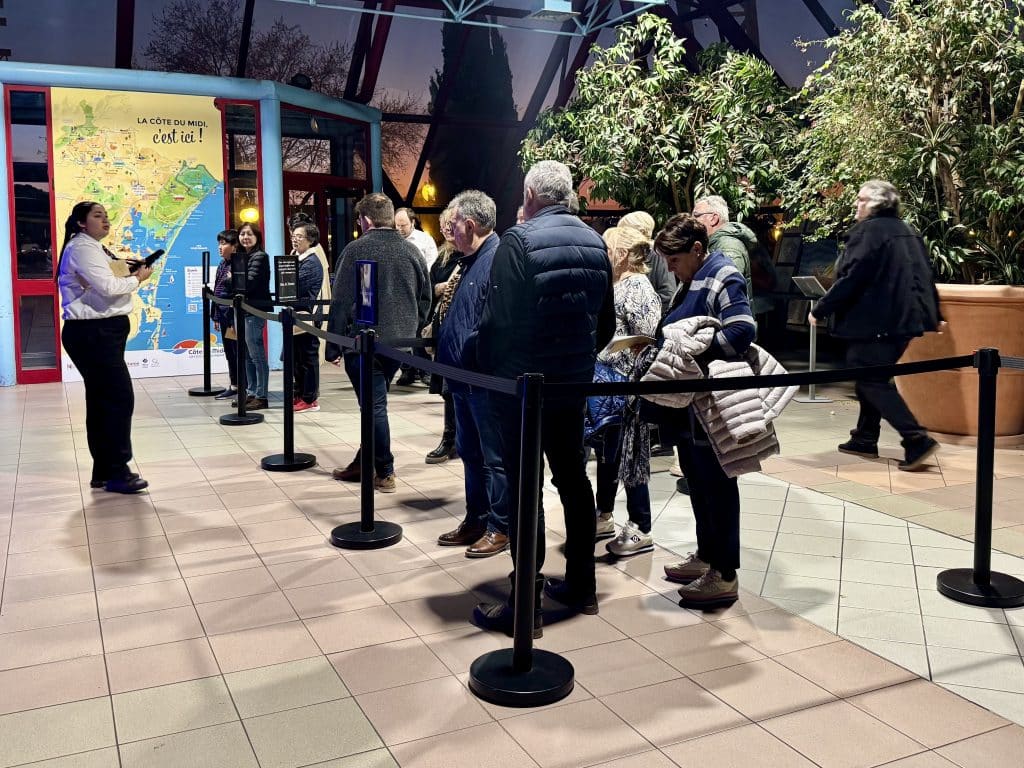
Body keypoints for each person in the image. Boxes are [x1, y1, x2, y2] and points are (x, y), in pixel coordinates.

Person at [472, 160, 614, 637]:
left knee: (523, 485)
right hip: (572, 382)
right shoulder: (596, 242)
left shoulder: (519, 240)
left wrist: (492, 371)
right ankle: (583, 584)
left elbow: (497, 323)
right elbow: (606, 324)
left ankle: (525, 602)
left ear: (530, 193)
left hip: (523, 386)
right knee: (574, 479)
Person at [651, 214, 757, 607]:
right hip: (690, 405)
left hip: (710, 405)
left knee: (717, 484)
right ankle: (707, 556)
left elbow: (742, 330)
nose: (671, 269)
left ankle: (724, 574)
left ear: (697, 249)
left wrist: (694, 353)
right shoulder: (693, 277)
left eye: (675, 261)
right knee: (698, 481)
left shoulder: (723, 274)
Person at [810, 179, 941, 471]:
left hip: (878, 321)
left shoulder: (868, 232)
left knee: (870, 377)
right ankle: (865, 437)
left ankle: (915, 438)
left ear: (877, 204)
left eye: (861, 200)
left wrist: (821, 308)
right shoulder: (908, 231)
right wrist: (935, 312)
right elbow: (923, 274)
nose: (857, 204)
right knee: (871, 374)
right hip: (906, 321)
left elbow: (852, 276)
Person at [327, 193, 431, 492]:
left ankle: (384, 470)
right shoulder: (411, 251)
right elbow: (424, 297)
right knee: (373, 404)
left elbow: (343, 300)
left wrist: (333, 344)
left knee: (374, 407)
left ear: (366, 219)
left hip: (364, 343)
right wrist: (413, 326)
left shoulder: (357, 249)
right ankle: (364, 460)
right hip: (399, 344)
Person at [57, 201, 153, 493]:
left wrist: (127, 269)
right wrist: (137, 278)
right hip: (93, 333)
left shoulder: (92, 248)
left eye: (107, 216)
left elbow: (109, 278)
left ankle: (103, 469)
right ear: (81, 223)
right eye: (98, 216)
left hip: (98, 332)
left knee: (101, 402)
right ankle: (117, 471)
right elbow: (109, 288)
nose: (106, 220)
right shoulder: (83, 248)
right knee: (118, 398)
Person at [435, 191, 510, 558]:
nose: (449, 230)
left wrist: (474, 357)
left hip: (482, 381)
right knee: (470, 452)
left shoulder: (496, 259)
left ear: (470, 224)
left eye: (453, 224)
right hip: (462, 379)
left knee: (494, 458)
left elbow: (497, 323)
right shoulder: (468, 260)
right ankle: (476, 519)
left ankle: (500, 526)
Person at [593, 226, 661, 557]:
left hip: (627, 387)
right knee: (609, 455)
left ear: (620, 254)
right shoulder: (618, 284)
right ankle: (604, 514)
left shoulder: (637, 287)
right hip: (609, 382)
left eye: (607, 249)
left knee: (630, 456)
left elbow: (645, 339)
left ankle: (641, 526)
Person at [423, 206, 460, 464]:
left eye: (450, 224)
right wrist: (440, 288)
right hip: (444, 324)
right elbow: (429, 284)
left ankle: (456, 440)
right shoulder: (443, 256)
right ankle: (450, 439)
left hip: (460, 329)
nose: (446, 229)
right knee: (448, 391)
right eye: (443, 224)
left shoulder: (475, 254)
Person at [395, 207, 435, 385]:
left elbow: (431, 265)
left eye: (403, 225)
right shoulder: (393, 240)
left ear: (413, 223)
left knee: (420, 332)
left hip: (419, 293)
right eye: (397, 225)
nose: (400, 229)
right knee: (403, 333)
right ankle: (407, 370)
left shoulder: (424, 240)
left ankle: (424, 370)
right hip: (399, 294)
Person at [691, 195, 755, 299]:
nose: (692, 221)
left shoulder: (729, 246)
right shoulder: (714, 244)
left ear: (713, 218)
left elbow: (727, 289)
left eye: (696, 215)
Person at [291, 222, 325, 413]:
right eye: (294, 235)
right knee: (297, 358)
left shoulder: (311, 262)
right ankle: (301, 393)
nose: (295, 239)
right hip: (294, 314)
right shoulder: (296, 257)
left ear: (310, 240)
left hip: (306, 315)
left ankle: (310, 398)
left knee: (307, 358)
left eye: (300, 236)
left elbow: (296, 286)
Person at [237, 222, 271, 410]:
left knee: (256, 354)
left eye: (249, 234)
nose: (245, 237)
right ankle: (251, 392)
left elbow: (248, 282)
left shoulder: (260, 256)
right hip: (242, 309)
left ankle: (261, 395)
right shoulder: (242, 257)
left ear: (257, 236)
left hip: (254, 310)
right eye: (242, 234)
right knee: (247, 356)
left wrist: (230, 280)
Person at [619, 211, 676, 315]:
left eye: (624, 231)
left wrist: (645, 313)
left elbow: (668, 293)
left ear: (639, 231)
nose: (621, 236)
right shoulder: (632, 255)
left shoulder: (657, 254)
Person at [212, 229, 240, 401]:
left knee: (238, 353)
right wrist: (215, 316)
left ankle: (243, 387)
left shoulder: (239, 265)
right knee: (229, 352)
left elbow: (234, 292)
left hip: (233, 316)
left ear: (234, 246)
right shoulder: (223, 264)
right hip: (222, 315)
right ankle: (234, 385)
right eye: (219, 243)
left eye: (223, 243)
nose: (220, 247)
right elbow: (217, 292)